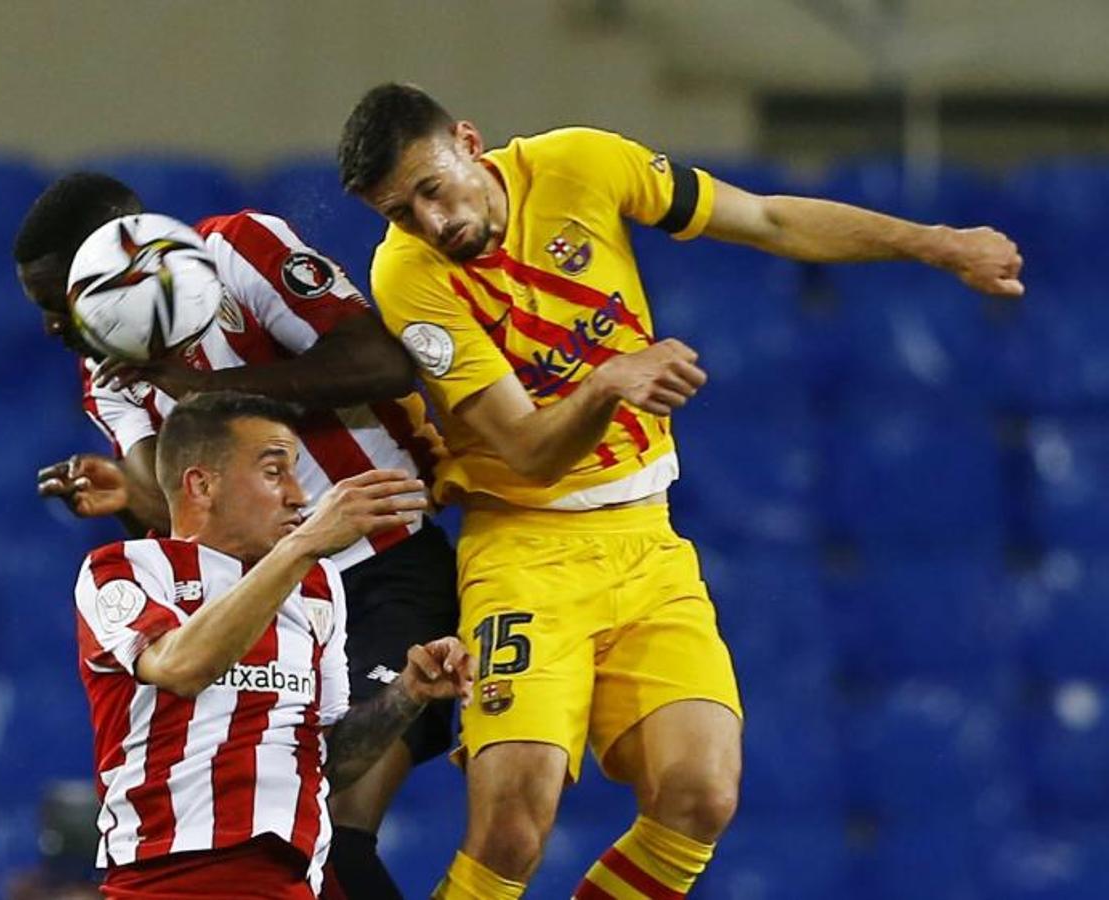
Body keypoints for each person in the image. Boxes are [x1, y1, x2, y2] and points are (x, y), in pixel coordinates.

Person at [337, 83, 1025, 899]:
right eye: (400, 211)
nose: (430, 222)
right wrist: (606, 383)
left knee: (701, 795)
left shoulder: (581, 164)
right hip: (524, 547)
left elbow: (766, 219)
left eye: (431, 188)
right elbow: (526, 451)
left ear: (470, 141)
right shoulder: (410, 276)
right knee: (513, 824)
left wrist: (936, 243)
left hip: (646, 541)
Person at [13, 174, 459, 899]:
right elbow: (175, 517)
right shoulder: (108, 378)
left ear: (116, 258)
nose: (51, 325)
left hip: (384, 565)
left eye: (54, 299)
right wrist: (129, 499)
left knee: (337, 825)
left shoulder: (238, 251)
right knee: (301, 833)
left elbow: (378, 363)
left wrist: (201, 391)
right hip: (270, 605)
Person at [74, 390, 472, 898]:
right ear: (202, 485)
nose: (299, 496)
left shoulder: (316, 587)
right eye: (273, 472)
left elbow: (329, 759)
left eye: (295, 472)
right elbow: (180, 666)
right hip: (168, 883)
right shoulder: (125, 568)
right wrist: (301, 547)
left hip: (292, 880)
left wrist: (406, 694)